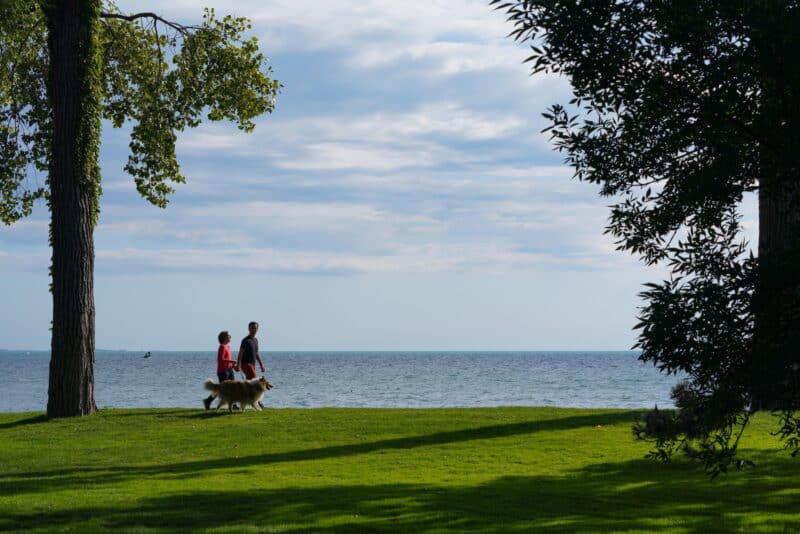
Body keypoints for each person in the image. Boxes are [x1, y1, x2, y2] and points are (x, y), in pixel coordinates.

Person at [203, 330, 237, 410]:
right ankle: (208, 401)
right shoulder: (222, 346)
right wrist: (232, 361)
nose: (230, 337)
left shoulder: (228, 347)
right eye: (228, 335)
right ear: (224, 337)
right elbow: (221, 359)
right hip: (223, 371)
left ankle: (234, 405)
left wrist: (233, 366)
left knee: (234, 387)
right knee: (221, 389)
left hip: (229, 370)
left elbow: (227, 360)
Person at [236, 321, 266, 407]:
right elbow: (240, 353)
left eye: (255, 328)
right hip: (246, 365)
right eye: (252, 328)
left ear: (257, 329)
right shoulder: (245, 340)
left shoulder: (255, 340)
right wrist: (238, 365)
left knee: (248, 384)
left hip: (252, 365)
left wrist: (261, 365)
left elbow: (256, 353)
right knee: (256, 382)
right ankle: (258, 402)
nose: (254, 329)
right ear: (248, 329)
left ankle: (243, 400)